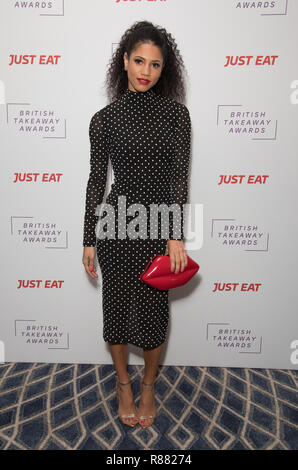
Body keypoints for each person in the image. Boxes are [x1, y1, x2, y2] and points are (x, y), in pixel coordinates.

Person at [82, 20, 191, 429]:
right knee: (115, 311)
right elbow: (96, 180)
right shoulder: (104, 119)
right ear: (124, 62)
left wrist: (175, 234)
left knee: (154, 314)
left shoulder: (177, 116)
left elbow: (180, 177)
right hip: (115, 225)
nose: (146, 71)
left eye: (156, 65)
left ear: (165, 70)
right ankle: (123, 383)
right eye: (139, 61)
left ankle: (148, 385)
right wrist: (89, 237)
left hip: (158, 224)